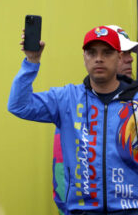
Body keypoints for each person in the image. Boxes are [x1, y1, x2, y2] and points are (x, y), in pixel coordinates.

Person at [8, 26, 138, 214]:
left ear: (118, 57)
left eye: (107, 52)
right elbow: (18, 105)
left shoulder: (135, 102)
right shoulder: (67, 98)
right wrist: (31, 61)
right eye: (91, 53)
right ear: (84, 57)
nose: (98, 58)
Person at [51, 25, 138, 215]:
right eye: (124, 53)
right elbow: (60, 167)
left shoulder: (134, 103)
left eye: (131, 53)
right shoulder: (74, 103)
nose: (130, 58)